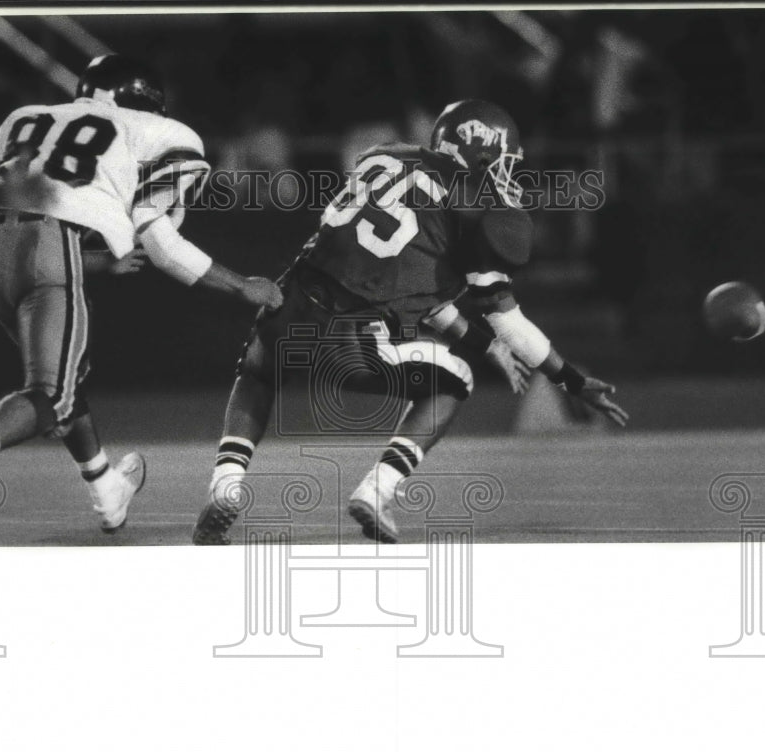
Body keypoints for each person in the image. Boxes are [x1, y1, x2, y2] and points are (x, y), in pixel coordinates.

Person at [193, 99, 627, 545]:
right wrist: (571, 380)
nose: (507, 174)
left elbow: (420, 289)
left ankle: (226, 486)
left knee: (258, 374)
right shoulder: (477, 208)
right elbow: (511, 324)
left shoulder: (385, 154)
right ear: (484, 154)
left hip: (292, 304)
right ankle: (377, 491)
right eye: (503, 162)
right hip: (356, 334)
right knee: (454, 379)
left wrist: (484, 344)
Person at [0, 55, 283, 531]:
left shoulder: (24, 116)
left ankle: (106, 487)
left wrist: (90, 259)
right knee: (51, 394)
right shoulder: (162, 133)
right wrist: (241, 285)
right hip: (51, 245)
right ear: (147, 98)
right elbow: (160, 241)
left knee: (67, 377)